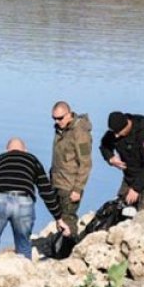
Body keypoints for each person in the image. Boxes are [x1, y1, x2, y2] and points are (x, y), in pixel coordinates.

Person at [0, 138, 68, 260]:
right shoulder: (32, 159)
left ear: (6, 151)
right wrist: (58, 218)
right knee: (23, 244)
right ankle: (25, 274)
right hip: (23, 201)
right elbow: (46, 191)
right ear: (25, 150)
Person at [101, 111, 144, 211]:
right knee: (118, 209)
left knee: (143, 214)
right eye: (114, 132)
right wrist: (110, 158)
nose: (116, 136)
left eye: (118, 132)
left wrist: (136, 189)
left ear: (127, 125)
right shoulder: (116, 131)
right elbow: (104, 145)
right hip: (129, 177)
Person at [50, 101, 93, 239]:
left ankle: (69, 249)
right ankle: (61, 246)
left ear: (69, 114)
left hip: (70, 185)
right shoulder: (61, 130)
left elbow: (85, 163)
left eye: (60, 118)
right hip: (57, 182)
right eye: (54, 118)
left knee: (68, 219)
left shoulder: (80, 133)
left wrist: (78, 188)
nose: (57, 121)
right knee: (60, 219)